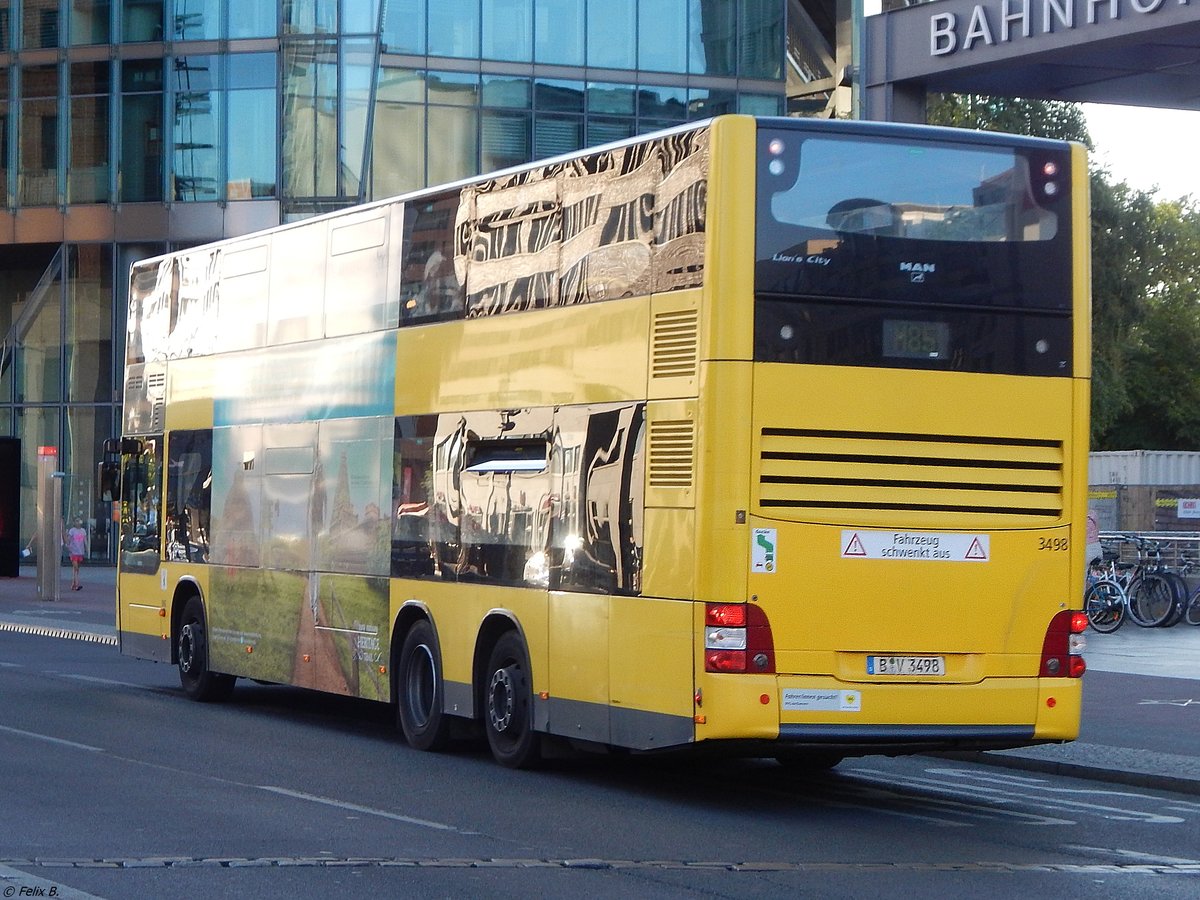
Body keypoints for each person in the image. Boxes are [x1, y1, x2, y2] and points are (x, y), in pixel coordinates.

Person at [65, 520, 88, 591]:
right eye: (77, 521)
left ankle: (73, 584)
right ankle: (77, 584)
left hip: (80, 552)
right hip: (74, 551)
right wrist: (68, 546)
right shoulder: (72, 531)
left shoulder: (83, 531)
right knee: (76, 567)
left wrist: (87, 548)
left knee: (76, 569)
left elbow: (85, 540)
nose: (78, 523)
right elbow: (69, 539)